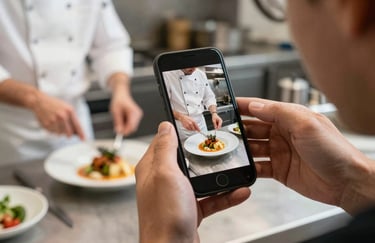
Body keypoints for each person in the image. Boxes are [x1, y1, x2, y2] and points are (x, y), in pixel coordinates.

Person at [135, 0, 375, 242]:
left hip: (203, 123)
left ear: (351, 8)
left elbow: (209, 96)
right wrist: (353, 184)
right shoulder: (173, 77)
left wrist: (163, 236)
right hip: (185, 127)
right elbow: (174, 105)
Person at [0, 0, 143, 164]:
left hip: (74, 127)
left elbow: (111, 46)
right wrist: (34, 99)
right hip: (10, 132)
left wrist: (121, 91)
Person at [162, 67, 223, 140]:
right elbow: (165, 105)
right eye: (189, 66)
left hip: (201, 124)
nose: (194, 69)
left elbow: (209, 97)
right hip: (182, 127)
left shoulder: (200, 74)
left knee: (206, 147)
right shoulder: (167, 75)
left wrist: (214, 113)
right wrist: (181, 117)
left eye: (195, 66)